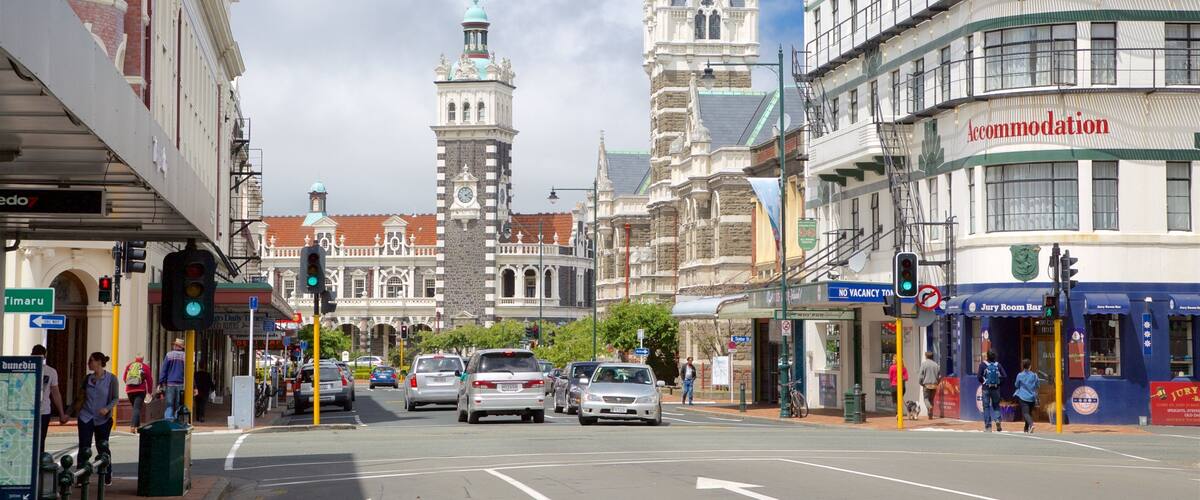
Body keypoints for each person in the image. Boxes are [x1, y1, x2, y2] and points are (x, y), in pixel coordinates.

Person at [77, 352, 118, 486]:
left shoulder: (111, 379)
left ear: (99, 362)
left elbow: (115, 398)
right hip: (86, 416)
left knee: (103, 446)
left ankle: (106, 473)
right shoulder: (87, 378)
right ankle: (81, 476)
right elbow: (80, 397)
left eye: (91, 361)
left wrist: (107, 408)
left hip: (103, 419)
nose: (89, 363)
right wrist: (67, 413)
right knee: (84, 447)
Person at [31, 345, 67, 458]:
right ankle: (39, 464)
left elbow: (55, 393)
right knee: (40, 441)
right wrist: (61, 414)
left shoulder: (25, 367)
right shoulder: (51, 371)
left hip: (31, 411)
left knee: (29, 440)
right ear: (45, 356)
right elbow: (56, 394)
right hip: (43, 411)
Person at [976, 350, 1007, 432]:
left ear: (987, 356)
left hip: (986, 388)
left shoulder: (983, 365)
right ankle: (997, 420)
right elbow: (1005, 376)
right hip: (996, 389)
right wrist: (999, 384)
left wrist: (984, 382)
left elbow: (979, 376)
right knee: (996, 406)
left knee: (986, 407)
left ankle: (988, 426)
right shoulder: (998, 365)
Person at [123, 354, 153, 432]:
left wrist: (130, 384)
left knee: (136, 408)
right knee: (137, 408)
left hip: (129, 390)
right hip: (140, 390)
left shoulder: (129, 366)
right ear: (142, 359)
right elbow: (149, 380)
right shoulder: (145, 367)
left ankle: (138, 426)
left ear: (135, 358)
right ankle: (133, 427)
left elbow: (124, 378)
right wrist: (149, 392)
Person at [159, 338, 186, 421]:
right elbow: (189, 371)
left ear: (176, 346)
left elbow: (164, 370)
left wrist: (161, 382)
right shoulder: (185, 356)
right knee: (179, 404)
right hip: (181, 384)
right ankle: (177, 420)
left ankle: (168, 420)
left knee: (169, 403)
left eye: (174, 344)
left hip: (170, 383)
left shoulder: (169, 355)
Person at [1014, 358, 1040, 433]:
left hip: (1023, 397)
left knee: (1025, 413)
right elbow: (1038, 385)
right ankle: (1026, 429)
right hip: (1032, 397)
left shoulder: (1020, 375)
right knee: (1028, 413)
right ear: (1030, 366)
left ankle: (1031, 424)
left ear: (1023, 366)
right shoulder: (1034, 375)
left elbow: (1016, 385)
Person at [919, 351, 940, 420]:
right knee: (931, 399)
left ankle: (929, 407)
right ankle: (930, 415)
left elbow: (921, 376)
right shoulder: (936, 365)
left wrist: (921, 383)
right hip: (934, 385)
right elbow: (939, 376)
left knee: (926, 399)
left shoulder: (924, 364)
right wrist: (937, 383)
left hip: (926, 384)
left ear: (926, 356)